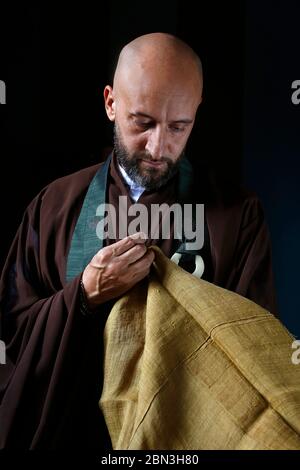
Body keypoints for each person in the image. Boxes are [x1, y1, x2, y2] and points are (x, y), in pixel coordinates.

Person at [0, 33, 277, 449]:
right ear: (111, 103)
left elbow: (252, 357)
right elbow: (12, 339)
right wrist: (83, 296)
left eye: (179, 126)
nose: (158, 146)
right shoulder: (54, 205)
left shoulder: (237, 216)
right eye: (142, 122)